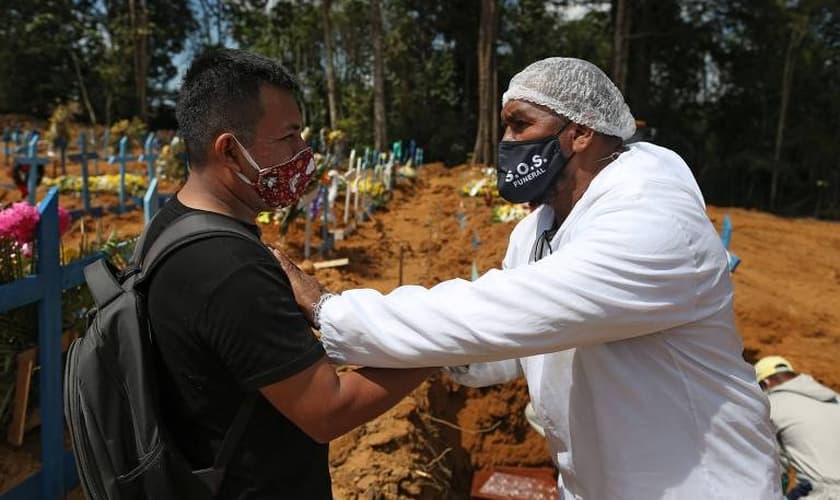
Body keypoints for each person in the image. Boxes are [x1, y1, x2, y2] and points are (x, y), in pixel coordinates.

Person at [273, 57, 781, 499]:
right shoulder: (539, 229)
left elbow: (506, 311)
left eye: (520, 125)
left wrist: (328, 309)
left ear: (581, 131)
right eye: (505, 127)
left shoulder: (653, 224)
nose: (507, 142)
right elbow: (514, 344)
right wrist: (440, 358)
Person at [145, 48, 434, 499]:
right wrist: (437, 346)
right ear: (230, 152)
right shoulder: (229, 269)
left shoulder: (170, 227)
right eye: (290, 136)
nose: (305, 153)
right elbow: (328, 410)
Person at [755, 356, 840, 499]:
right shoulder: (836, 399)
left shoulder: (772, 407)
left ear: (765, 383)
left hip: (821, 494)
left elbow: (774, 472)